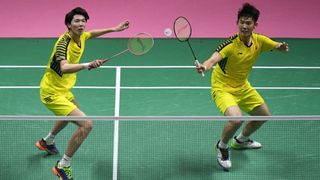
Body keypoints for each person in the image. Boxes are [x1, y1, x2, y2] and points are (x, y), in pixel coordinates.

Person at [35, 7, 129, 179]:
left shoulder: (81, 36)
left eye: (83, 21)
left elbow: (91, 34)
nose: (81, 24)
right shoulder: (63, 43)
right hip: (51, 92)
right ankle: (63, 166)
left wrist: (114, 29)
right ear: (68, 25)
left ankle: (47, 142)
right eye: (76, 21)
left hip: (64, 89)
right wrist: (87, 65)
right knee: (86, 125)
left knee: (69, 115)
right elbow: (64, 67)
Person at [196, 3, 289, 170]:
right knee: (236, 119)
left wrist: (280, 47)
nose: (244, 26)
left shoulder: (259, 41)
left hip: (242, 86)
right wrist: (205, 66)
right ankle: (222, 146)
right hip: (223, 88)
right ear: (237, 23)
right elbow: (213, 58)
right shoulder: (230, 44)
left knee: (263, 115)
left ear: (255, 25)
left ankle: (241, 141)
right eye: (242, 22)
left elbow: (274, 45)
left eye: (248, 23)